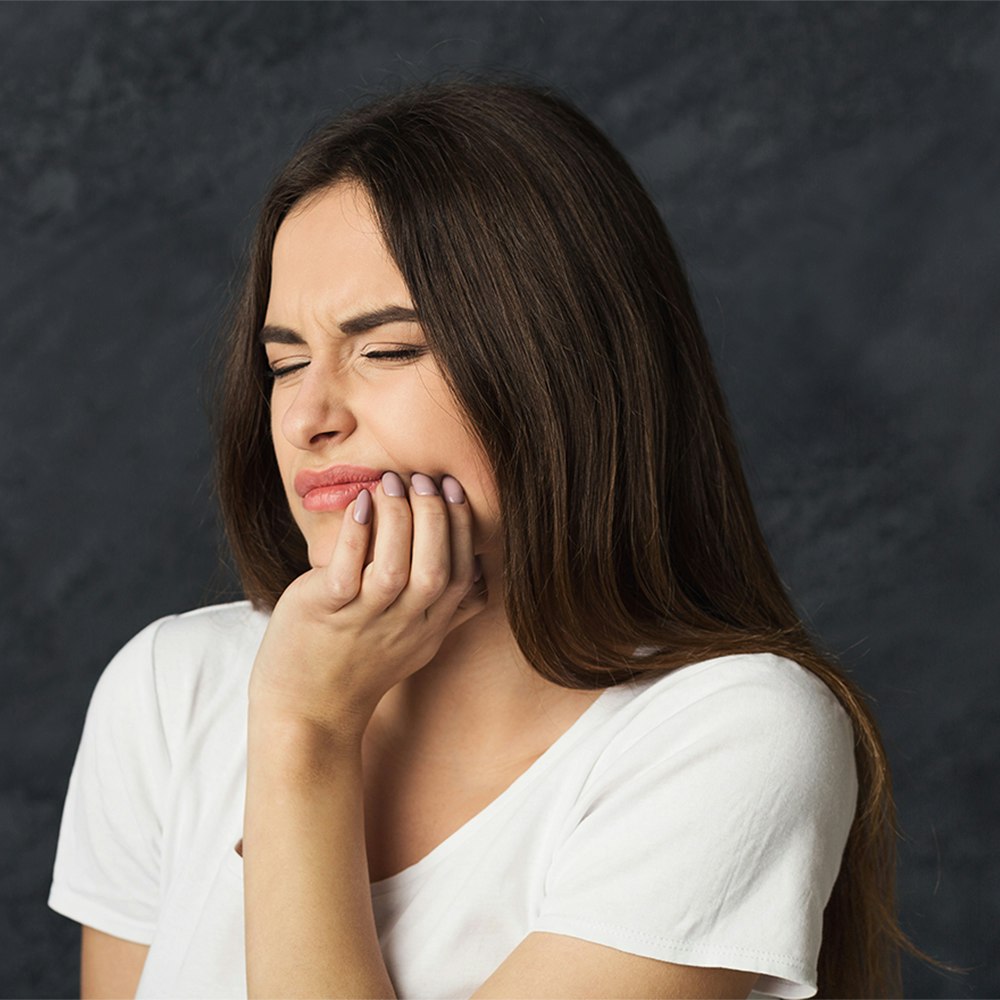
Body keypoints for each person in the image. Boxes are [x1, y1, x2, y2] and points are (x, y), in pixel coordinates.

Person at [48, 80, 918, 999]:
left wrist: (305, 730)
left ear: (563, 368)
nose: (307, 415)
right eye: (284, 363)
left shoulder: (733, 733)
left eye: (387, 350)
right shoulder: (168, 686)